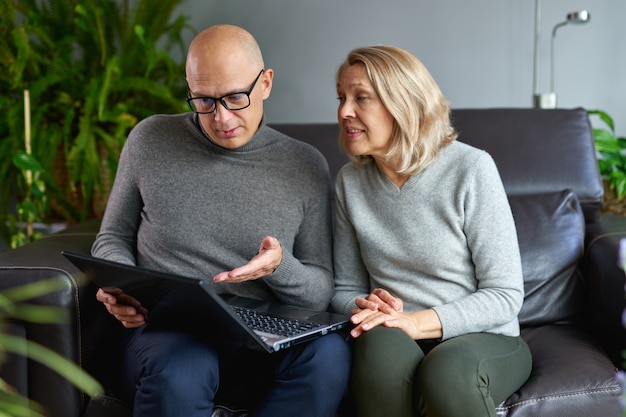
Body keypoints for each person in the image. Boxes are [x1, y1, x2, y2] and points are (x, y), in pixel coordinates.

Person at [91, 24, 350, 417]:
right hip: (169, 331)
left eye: (234, 97)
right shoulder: (150, 139)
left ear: (265, 83)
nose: (221, 117)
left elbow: (318, 292)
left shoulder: (305, 165)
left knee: (329, 355)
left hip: (262, 331)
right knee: (182, 368)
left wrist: (279, 267)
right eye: (204, 101)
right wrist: (125, 287)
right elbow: (112, 237)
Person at [330, 45, 532, 417]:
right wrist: (367, 307)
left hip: (483, 337)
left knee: (448, 372)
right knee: (378, 350)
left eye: (361, 98)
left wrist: (413, 322)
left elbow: (504, 295)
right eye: (341, 98)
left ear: (404, 102)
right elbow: (343, 291)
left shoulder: (471, 169)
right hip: (393, 334)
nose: (344, 111)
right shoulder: (349, 183)